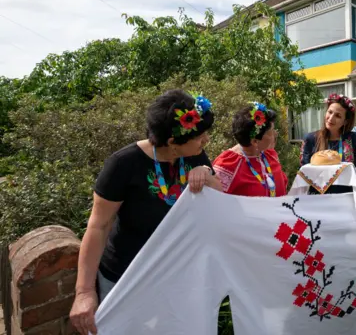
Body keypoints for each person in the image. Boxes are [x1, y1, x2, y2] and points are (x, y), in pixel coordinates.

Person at [70, 89, 223, 335]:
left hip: (175, 273)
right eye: (200, 136)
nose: (206, 140)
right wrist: (84, 292)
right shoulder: (123, 164)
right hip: (125, 277)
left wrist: (206, 172)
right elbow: (99, 227)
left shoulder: (194, 155)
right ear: (172, 143)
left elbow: (219, 196)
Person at [212, 102, 288, 197]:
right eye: (271, 132)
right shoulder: (228, 165)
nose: (275, 134)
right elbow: (216, 201)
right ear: (255, 141)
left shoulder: (269, 155)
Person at [300, 93, 356, 176]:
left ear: (345, 121)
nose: (331, 118)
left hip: (346, 187)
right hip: (318, 187)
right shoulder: (310, 139)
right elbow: (304, 170)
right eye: (330, 112)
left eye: (338, 116)